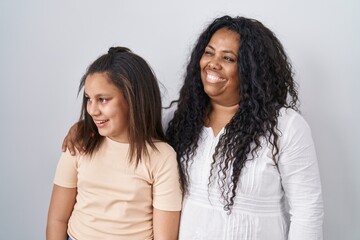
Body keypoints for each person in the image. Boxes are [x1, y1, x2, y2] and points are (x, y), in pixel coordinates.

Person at [62, 16, 324, 240]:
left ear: (252, 69)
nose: (212, 63)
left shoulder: (285, 127)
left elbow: (307, 210)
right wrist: (84, 128)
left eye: (228, 58)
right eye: (208, 53)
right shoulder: (179, 119)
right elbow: (128, 129)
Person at [47, 47, 182, 240]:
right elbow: (57, 220)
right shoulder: (79, 142)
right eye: (88, 99)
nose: (92, 110)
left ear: (133, 99)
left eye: (103, 99)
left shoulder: (162, 157)